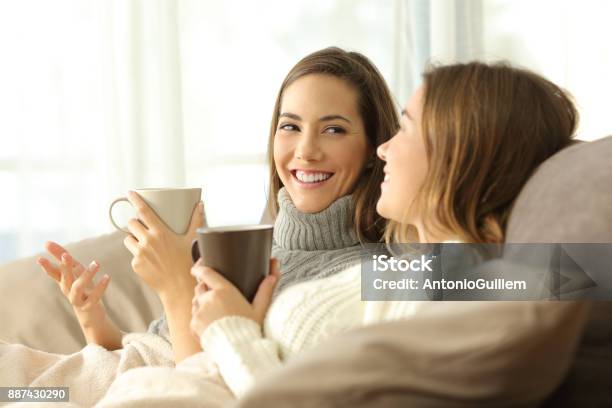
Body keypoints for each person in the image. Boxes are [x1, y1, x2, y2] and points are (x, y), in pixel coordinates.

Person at [92, 61, 588, 407]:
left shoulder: (459, 282)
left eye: (407, 129)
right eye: (289, 126)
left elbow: (289, 396)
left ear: (460, 153)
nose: (385, 150)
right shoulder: (417, 270)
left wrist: (228, 328)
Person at [0, 47, 398, 407]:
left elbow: (209, 390)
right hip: (97, 381)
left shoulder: (374, 279)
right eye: (290, 126)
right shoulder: (252, 249)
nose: (305, 151)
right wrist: (94, 319)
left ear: (373, 150)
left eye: (333, 129)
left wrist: (177, 287)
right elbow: (155, 356)